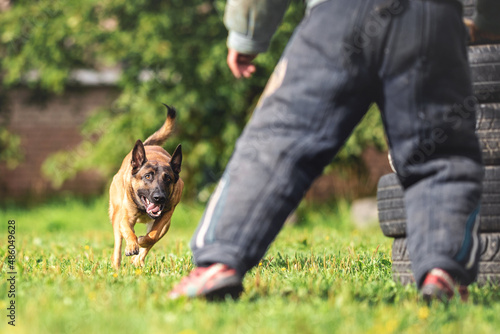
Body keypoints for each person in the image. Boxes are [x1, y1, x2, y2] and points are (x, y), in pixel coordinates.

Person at [169, 0, 500, 302]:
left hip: (338, 15)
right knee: (442, 158)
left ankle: (219, 263)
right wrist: (489, 20)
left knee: (278, 143)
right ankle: (443, 270)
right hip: (431, 18)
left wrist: (246, 33)